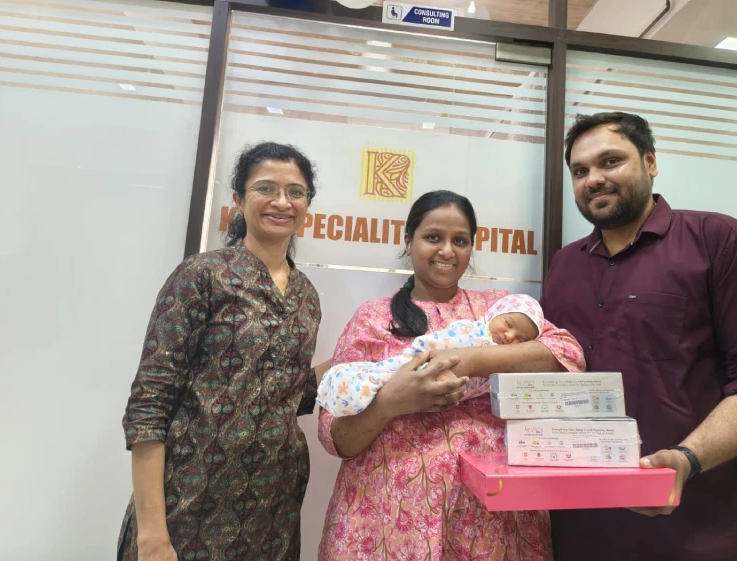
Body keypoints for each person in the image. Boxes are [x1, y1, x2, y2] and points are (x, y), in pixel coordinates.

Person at [540, 112, 737, 560]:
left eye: (610, 161)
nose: (594, 179)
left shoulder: (720, 241)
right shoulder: (565, 265)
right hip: (582, 530)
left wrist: (686, 458)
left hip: (697, 531)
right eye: (580, 171)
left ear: (650, 162)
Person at [316, 190, 586, 561]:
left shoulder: (498, 310)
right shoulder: (373, 318)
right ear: (408, 241)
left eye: (460, 241)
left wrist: (468, 360)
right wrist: (391, 402)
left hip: (490, 521)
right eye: (433, 237)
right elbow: (335, 438)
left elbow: (567, 355)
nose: (447, 251)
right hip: (387, 520)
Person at [117, 142, 330, 561]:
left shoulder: (306, 295)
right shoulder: (202, 276)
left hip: (272, 512)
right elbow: (149, 405)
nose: (282, 202)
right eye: (265, 188)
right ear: (238, 198)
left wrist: (363, 363)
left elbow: (289, 394)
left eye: (295, 192)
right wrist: (153, 536)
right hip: (188, 504)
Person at [316, 293, 545, 416]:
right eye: (508, 324)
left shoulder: (497, 300)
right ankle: (350, 386)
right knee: (384, 376)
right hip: (419, 366)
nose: (510, 336)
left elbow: (562, 351)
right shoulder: (474, 329)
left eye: (521, 338)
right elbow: (435, 344)